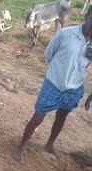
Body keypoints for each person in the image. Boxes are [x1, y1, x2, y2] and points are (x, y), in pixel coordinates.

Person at [12, 6, 92, 162]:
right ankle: (21, 146)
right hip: (54, 84)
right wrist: (58, 72)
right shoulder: (65, 34)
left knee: (61, 117)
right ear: (87, 16)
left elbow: (86, 64)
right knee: (37, 118)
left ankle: (49, 144)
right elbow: (49, 54)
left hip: (74, 88)